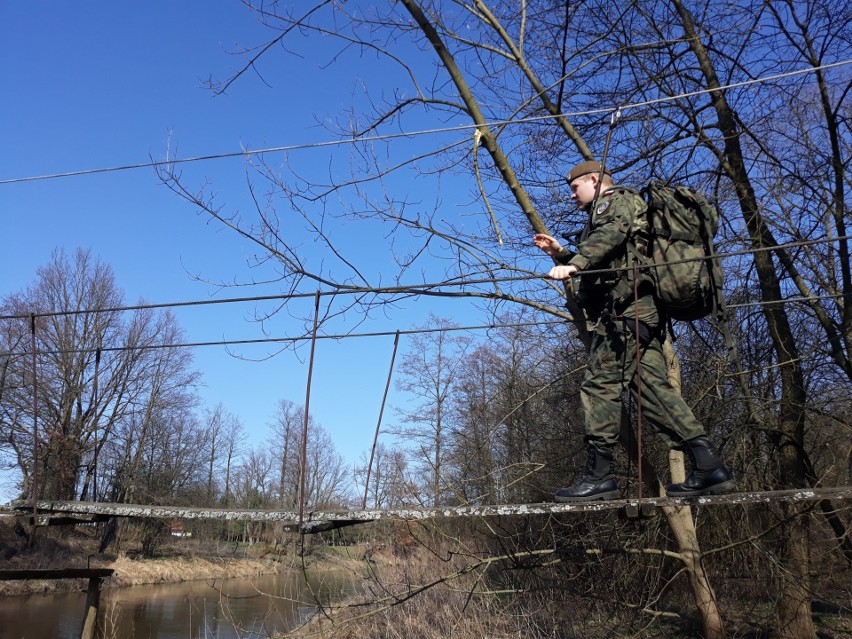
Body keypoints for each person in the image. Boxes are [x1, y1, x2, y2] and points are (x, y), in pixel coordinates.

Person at [534, 160, 734, 502]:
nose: (571, 195)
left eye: (575, 187)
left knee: (599, 386)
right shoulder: (616, 211)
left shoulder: (615, 202)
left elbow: (608, 237)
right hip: (641, 315)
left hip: (626, 315)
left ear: (595, 181)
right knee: (652, 392)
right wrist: (561, 253)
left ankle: (599, 476)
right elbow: (612, 262)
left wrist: (575, 263)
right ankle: (708, 464)